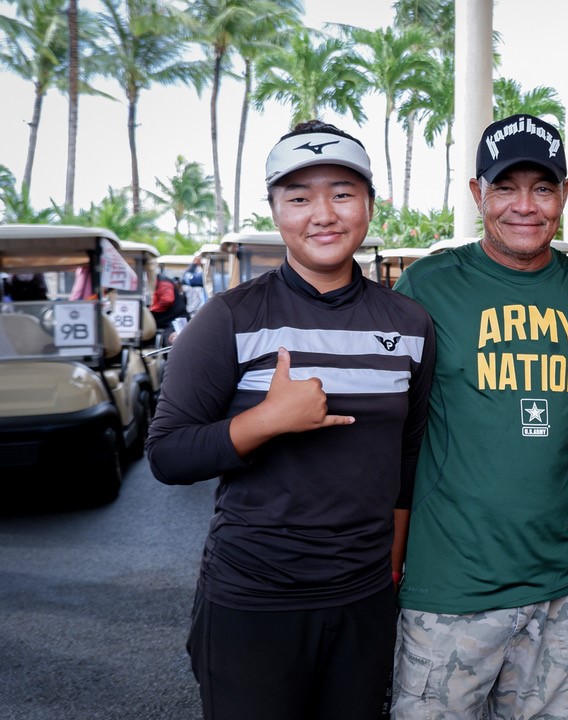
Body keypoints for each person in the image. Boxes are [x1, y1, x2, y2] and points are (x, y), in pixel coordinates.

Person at [147, 120, 435, 720]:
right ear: (276, 211)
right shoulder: (229, 317)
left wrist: (393, 562)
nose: (323, 214)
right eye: (299, 197)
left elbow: (408, 453)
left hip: (362, 598)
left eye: (342, 193)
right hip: (253, 599)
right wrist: (266, 421)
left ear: (370, 205)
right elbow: (168, 454)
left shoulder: (409, 323)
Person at [391, 114, 568, 720]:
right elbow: (394, 434)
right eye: (505, 187)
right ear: (476, 193)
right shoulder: (428, 287)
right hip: (451, 590)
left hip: (560, 591)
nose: (524, 206)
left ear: (564, 194)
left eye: (542, 188)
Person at [149, 271, 187, 344]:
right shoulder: (153, 282)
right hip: (162, 321)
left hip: (173, 321)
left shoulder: (163, 282)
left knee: (171, 341)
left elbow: (167, 300)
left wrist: (150, 310)